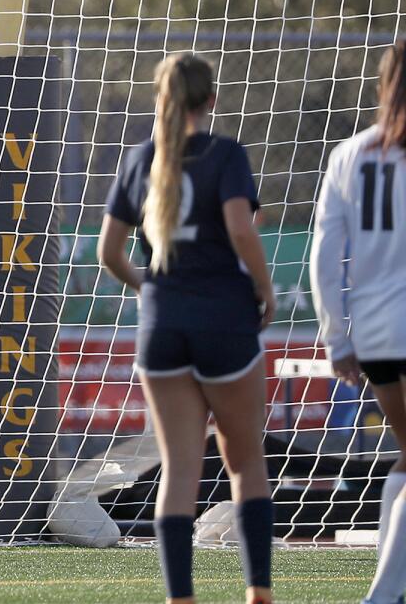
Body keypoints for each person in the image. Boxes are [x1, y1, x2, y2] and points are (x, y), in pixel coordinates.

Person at [98, 53, 275, 604]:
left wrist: (151, 287)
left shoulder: (138, 159)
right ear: (211, 100)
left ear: (160, 99)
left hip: (163, 326)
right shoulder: (225, 154)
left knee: (178, 469)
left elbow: (109, 253)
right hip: (223, 319)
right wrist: (264, 289)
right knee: (245, 461)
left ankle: (180, 598)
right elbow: (241, 229)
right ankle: (258, 592)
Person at [311, 40, 406, 604]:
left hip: (373, 331)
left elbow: (326, 251)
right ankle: (383, 592)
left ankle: (391, 584)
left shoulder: (349, 154)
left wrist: (336, 335)